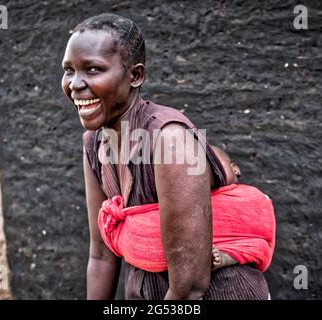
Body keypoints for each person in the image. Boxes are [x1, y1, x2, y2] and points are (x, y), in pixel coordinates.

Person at [61, 13, 270, 300]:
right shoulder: (94, 145)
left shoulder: (169, 139)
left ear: (135, 75)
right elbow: (101, 256)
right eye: (69, 70)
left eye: (93, 70)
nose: (75, 84)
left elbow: (190, 286)